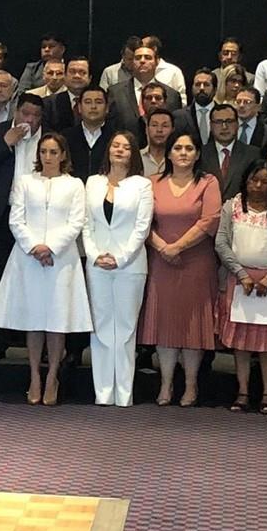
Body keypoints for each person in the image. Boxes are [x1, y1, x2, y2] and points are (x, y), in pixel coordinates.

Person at [0, 131, 89, 405]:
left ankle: (53, 375)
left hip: (60, 259)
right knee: (34, 320)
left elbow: (76, 222)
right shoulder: (25, 182)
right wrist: (35, 246)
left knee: (57, 320)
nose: (48, 157)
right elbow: (16, 219)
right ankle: (34, 375)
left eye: (53, 152)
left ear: (63, 155)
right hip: (28, 258)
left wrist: (51, 247)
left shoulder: (75, 184)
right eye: (43, 152)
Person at [139, 129, 222, 407]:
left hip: (196, 263)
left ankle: (190, 385)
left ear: (198, 153)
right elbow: (142, 223)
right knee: (164, 325)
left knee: (191, 327)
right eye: (178, 148)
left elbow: (210, 220)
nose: (183, 153)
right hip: (161, 263)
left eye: (189, 148)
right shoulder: (152, 183)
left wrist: (178, 247)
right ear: (169, 153)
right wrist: (163, 247)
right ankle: (165, 384)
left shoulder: (208, 182)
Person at [214, 161, 267, 415]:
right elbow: (221, 242)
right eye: (254, 180)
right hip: (239, 282)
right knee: (241, 343)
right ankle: (242, 392)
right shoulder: (232, 207)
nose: (258, 186)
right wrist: (241, 274)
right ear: (245, 181)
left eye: (264, 181)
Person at [0, 92, 45, 361]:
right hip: (0, 216)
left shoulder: (50, 140)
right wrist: (6, 143)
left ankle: (38, 343)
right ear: (16, 111)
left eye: (36, 116)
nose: (30, 120)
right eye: (25, 113)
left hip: (38, 220)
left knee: (38, 281)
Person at [82, 131, 154, 407]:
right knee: (100, 328)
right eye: (115, 145)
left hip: (131, 265)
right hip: (97, 263)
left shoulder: (142, 185)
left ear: (133, 153)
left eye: (126, 147)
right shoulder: (93, 182)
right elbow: (86, 224)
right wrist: (95, 255)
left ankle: (124, 394)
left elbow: (142, 227)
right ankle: (102, 393)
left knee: (125, 329)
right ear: (108, 150)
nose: (120, 150)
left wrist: (121, 258)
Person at [199, 102, 262, 200]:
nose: (224, 127)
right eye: (219, 122)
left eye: (229, 121)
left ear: (237, 124)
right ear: (211, 125)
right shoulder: (200, 154)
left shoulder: (253, 154)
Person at [64, 85, 115, 181]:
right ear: (79, 107)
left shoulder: (116, 138)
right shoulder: (65, 137)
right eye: (87, 102)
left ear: (107, 108)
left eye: (99, 102)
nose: (93, 107)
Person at [43, 56, 92, 132]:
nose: (77, 76)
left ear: (90, 78)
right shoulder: (48, 103)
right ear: (65, 76)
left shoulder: (101, 103)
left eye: (82, 72)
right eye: (72, 72)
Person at [234, 86, 267, 151]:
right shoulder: (226, 128)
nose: (241, 105)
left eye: (247, 102)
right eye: (238, 101)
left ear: (258, 107)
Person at [188, 68, 218, 145]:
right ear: (192, 88)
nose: (201, 88)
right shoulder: (179, 117)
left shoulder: (224, 114)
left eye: (206, 85)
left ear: (215, 89)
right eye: (197, 84)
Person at [141, 108, 173, 177]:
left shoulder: (177, 159)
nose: (159, 130)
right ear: (146, 129)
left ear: (173, 130)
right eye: (154, 125)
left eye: (165, 126)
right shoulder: (136, 157)